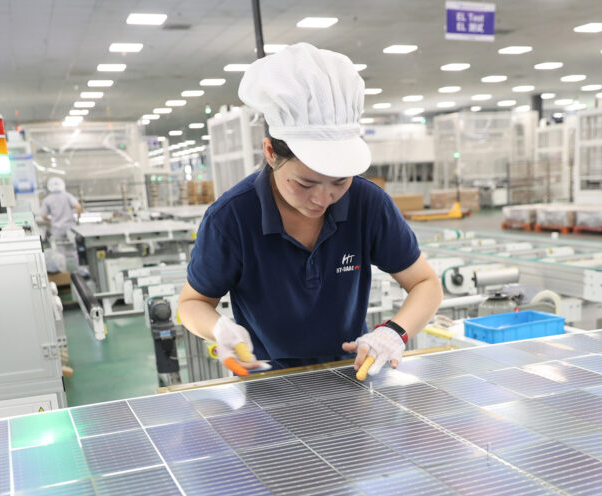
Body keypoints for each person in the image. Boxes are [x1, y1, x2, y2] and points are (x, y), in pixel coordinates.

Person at [178, 43, 443, 378]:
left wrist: (395, 332)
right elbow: (192, 303)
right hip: (266, 378)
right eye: (305, 184)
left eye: (339, 181)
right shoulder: (231, 217)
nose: (323, 198)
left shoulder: (368, 203)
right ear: (271, 153)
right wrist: (219, 329)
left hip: (352, 373)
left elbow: (425, 283)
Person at [39, 176, 82, 273]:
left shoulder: (47, 200)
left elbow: (43, 216)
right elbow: (78, 207)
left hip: (57, 228)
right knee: (73, 250)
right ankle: (76, 272)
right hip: (70, 227)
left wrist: (52, 220)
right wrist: (78, 219)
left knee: (60, 251)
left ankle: (63, 273)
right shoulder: (67, 196)